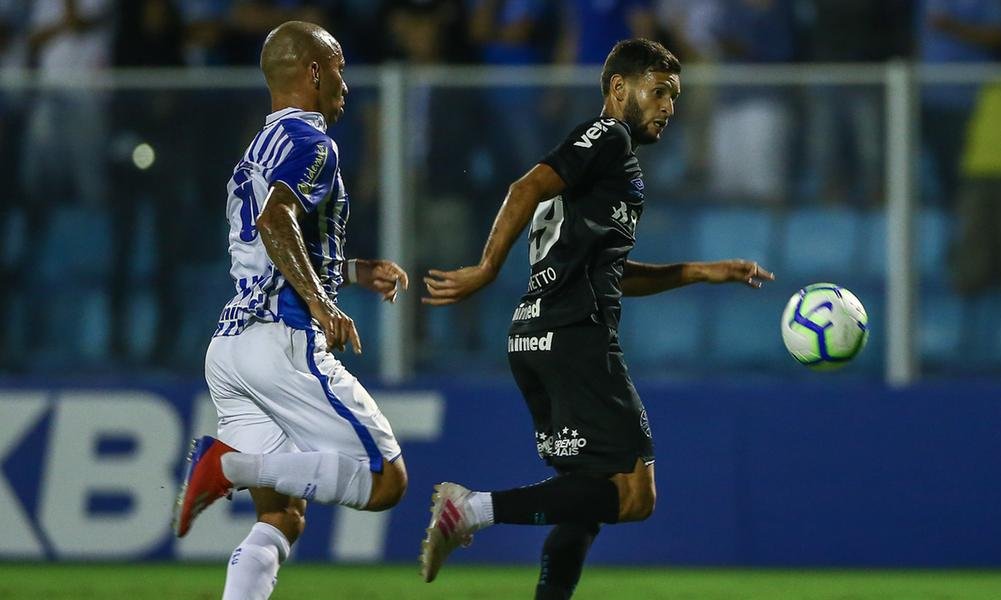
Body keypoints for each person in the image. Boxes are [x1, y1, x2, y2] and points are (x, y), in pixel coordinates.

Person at [419, 39, 774, 599]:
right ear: (618, 88)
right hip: (574, 338)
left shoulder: (610, 165)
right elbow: (526, 186)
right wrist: (487, 268)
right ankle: (470, 510)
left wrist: (699, 271)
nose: (669, 107)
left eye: (674, 96)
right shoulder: (607, 137)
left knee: (584, 500)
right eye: (658, 92)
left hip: (536, 339)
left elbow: (611, 272)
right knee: (634, 495)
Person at [172, 21, 410, 600]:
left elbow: (270, 243)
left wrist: (349, 271)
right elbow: (275, 222)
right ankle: (226, 467)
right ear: (313, 72)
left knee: (282, 517)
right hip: (282, 341)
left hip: (231, 347)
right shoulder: (314, 142)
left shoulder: (259, 148)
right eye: (339, 68)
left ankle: (230, 478)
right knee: (387, 483)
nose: (345, 83)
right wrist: (324, 301)